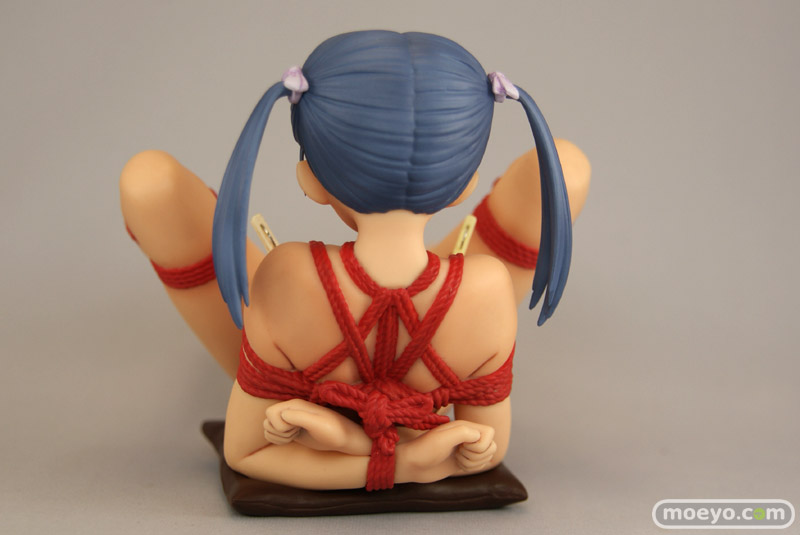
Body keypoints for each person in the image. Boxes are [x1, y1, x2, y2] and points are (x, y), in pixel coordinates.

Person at [120, 30, 590, 491]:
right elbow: (484, 450)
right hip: (450, 327)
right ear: (466, 185)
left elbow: (247, 453)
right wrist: (410, 460)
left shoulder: (286, 275)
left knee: (150, 185)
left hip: (301, 344)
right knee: (565, 171)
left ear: (310, 179)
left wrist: (351, 444)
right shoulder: (488, 289)